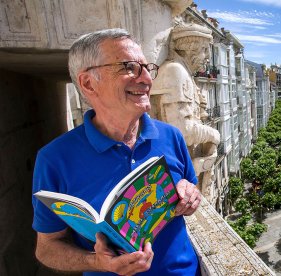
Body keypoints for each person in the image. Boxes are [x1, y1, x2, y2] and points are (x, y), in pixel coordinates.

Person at [32, 28, 201, 276]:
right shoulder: (54, 159)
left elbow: (192, 189)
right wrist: (97, 262)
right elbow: (46, 249)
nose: (146, 79)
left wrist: (190, 194)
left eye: (147, 67)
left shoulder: (171, 136)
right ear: (88, 83)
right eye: (129, 67)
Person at [151, 23, 220, 197]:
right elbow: (183, 130)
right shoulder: (175, 71)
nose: (207, 58)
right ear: (191, 48)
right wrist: (213, 135)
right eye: (205, 50)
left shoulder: (184, 73)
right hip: (175, 172)